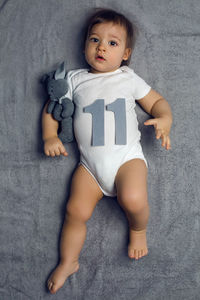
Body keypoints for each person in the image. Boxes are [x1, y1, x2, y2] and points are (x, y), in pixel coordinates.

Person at [42, 8, 173, 294]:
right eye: (94, 39)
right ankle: (68, 261)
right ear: (85, 45)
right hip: (89, 166)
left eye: (112, 43)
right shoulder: (74, 80)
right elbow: (52, 110)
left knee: (134, 198)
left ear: (125, 53)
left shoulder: (128, 77)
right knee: (74, 211)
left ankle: (138, 230)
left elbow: (157, 102)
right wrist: (50, 136)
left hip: (127, 160)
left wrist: (165, 118)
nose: (102, 46)